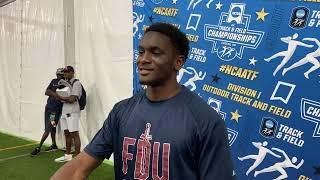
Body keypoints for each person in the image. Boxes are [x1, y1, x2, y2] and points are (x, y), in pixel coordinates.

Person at [51, 22, 233, 179]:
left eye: (155, 52)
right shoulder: (122, 111)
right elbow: (80, 166)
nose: (143, 59)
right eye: (141, 51)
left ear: (178, 62)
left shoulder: (205, 121)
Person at [30, 68, 64, 156]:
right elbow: (46, 91)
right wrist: (55, 94)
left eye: (60, 74)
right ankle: (54, 144)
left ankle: (38, 147)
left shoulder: (65, 84)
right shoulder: (53, 81)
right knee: (52, 127)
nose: (58, 76)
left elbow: (56, 93)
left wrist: (52, 93)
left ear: (63, 75)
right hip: (48, 108)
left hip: (55, 110)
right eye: (57, 74)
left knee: (48, 128)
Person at [53, 65, 82, 162]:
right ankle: (68, 155)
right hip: (64, 111)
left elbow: (72, 99)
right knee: (67, 134)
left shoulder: (76, 83)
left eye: (67, 72)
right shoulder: (65, 83)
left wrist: (60, 98)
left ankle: (78, 158)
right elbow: (66, 98)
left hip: (72, 112)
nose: (65, 73)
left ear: (72, 72)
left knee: (74, 134)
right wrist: (63, 98)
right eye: (64, 72)